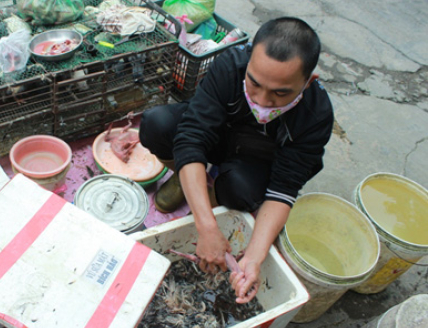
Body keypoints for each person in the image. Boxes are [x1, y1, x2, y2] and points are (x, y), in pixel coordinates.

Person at [139, 17, 334, 303]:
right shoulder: (229, 65)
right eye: (254, 84)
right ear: (249, 60)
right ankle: (188, 183)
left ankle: (210, 193)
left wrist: (254, 259)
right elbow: (192, 138)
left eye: (281, 93)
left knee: (239, 191)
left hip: (257, 160)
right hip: (220, 139)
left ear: (308, 82)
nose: (263, 100)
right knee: (157, 123)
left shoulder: (316, 115)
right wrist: (207, 228)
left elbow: (283, 189)